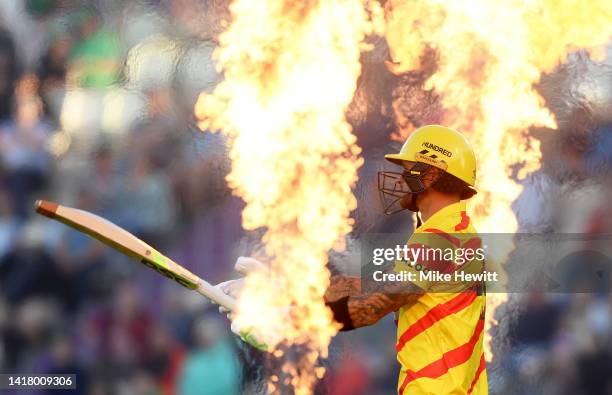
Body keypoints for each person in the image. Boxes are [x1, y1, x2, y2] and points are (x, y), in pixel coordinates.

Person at [217, 125, 487, 394]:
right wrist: (285, 295)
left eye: (409, 170)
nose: (401, 179)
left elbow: (374, 303)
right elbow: (371, 286)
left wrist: (291, 319)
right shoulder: (458, 233)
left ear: (431, 175)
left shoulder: (440, 240)